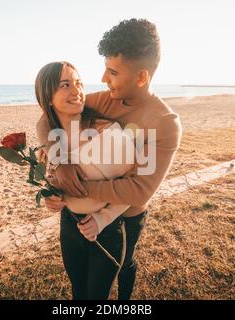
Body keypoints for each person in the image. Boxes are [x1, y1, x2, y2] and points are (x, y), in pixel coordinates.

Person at [37, 18, 183, 300]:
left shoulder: (164, 123)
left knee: (126, 264)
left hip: (125, 216)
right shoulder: (108, 99)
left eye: (112, 72)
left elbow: (139, 190)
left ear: (141, 77)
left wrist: (73, 186)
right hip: (83, 210)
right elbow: (49, 114)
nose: (104, 79)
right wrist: (61, 159)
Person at [35, 60, 139, 299]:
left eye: (79, 83)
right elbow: (51, 180)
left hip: (107, 230)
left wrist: (103, 219)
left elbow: (133, 184)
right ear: (48, 97)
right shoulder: (51, 137)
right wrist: (53, 199)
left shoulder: (107, 132)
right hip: (69, 225)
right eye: (65, 84)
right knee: (78, 293)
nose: (77, 90)